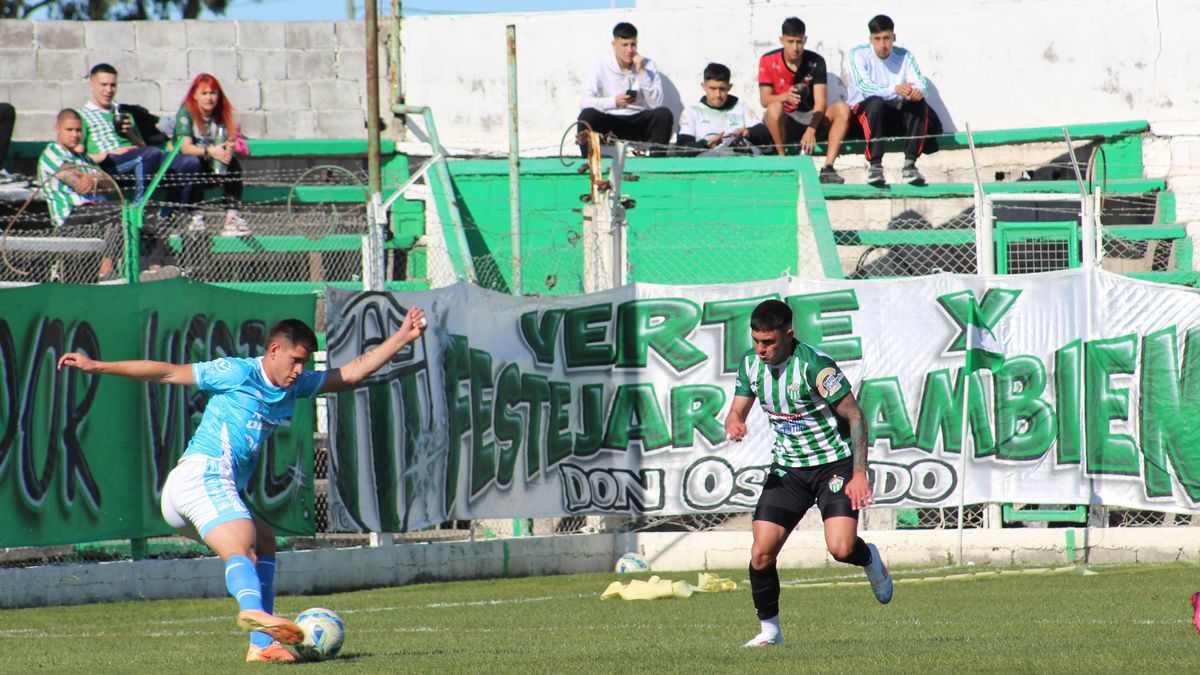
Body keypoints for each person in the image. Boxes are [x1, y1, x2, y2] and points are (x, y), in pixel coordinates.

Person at [57, 309, 428, 662]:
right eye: (295, 360)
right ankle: (254, 614)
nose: (300, 371)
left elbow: (350, 375)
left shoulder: (293, 388)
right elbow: (168, 373)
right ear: (274, 350)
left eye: (305, 363)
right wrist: (98, 365)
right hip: (201, 477)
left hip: (196, 496)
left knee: (264, 542)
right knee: (247, 543)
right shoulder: (238, 372)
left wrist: (402, 336)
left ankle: (262, 647)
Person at [724, 299, 892, 648]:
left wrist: (859, 474)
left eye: (768, 342)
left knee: (842, 548)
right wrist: (734, 419)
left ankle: (869, 557)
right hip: (788, 469)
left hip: (834, 464)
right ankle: (771, 631)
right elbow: (738, 407)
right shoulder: (750, 365)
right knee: (761, 552)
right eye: (756, 341)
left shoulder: (816, 368)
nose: (761, 349)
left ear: (789, 335)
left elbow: (856, 416)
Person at [79, 63, 202, 205]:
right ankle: (140, 206)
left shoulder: (124, 114)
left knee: (189, 162)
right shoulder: (81, 116)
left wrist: (130, 133)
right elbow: (77, 156)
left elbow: (143, 147)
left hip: (140, 158)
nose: (109, 90)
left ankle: (172, 212)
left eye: (113, 85)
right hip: (111, 164)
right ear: (92, 85)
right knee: (150, 154)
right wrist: (109, 153)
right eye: (104, 85)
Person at [846, 14, 942, 187]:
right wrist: (895, 89)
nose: (883, 44)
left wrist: (917, 92)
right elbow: (864, 87)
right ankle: (875, 167)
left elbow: (921, 84)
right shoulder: (858, 54)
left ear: (894, 38)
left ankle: (910, 165)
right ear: (871, 39)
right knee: (876, 103)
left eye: (887, 38)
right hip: (864, 117)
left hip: (893, 113)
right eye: (878, 39)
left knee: (918, 103)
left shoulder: (904, 56)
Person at [758, 17, 850, 184]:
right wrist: (784, 96)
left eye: (799, 42)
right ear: (781, 40)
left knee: (843, 109)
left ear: (805, 40)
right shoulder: (768, 60)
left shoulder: (816, 61)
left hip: (812, 117)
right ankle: (782, 161)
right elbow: (764, 100)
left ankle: (828, 168)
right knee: (773, 108)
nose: (795, 47)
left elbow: (820, 101)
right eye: (790, 41)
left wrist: (811, 129)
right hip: (785, 119)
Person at [36, 108, 124, 281]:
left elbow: (112, 186)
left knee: (145, 214)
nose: (75, 135)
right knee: (114, 209)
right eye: (69, 130)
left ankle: (156, 267)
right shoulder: (52, 152)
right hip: (72, 218)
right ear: (57, 129)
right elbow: (78, 183)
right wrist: (97, 179)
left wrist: (92, 178)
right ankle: (105, 270)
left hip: (96, 215)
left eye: (78, 130)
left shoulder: (85, 159)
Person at [578, 22, 673, 155]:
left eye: (633, 45)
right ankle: (588, 164)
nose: (630, 50)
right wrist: (614, 102)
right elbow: (585, 102)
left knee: (664, 114)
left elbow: (657, 104)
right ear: (614, 45)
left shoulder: (648, 65)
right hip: (611, 121)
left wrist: (641, 72)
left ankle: (657, 166)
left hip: (638, 122)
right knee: (587, 115)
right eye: (624, 45)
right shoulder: (600, 66)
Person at [173, 73, 251, 237]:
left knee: (233, 164)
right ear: (195, 95)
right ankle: (194, 216)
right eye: (204, 93)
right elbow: (185, 147)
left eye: (212, 93)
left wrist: (227, 148)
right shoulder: (186, 113)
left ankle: (232, 218)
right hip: (185, 171)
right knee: (193, 163)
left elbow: (227, 139)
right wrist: (211, 152)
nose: (209, 98)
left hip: (212, 167)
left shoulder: (220, 114)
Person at [675, 62, 773, 156]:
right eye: (712, 89)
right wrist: (707, 144)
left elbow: (764, 133)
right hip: (708, 159)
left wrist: (747, 132)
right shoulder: (692, 112)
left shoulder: (741, 108)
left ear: (729, 87)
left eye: (722, 89)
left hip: (739, 157)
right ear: (704, 86)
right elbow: (681, 148)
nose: (718, 95)